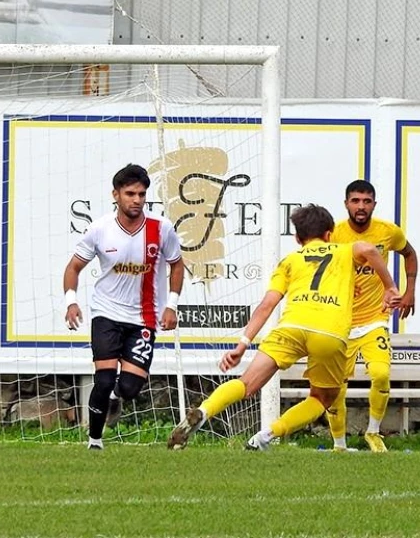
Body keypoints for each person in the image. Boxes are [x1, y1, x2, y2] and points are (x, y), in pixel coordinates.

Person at [167, 204, 398, 451]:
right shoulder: (343, 251)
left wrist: (242, 344)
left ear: (298, 238)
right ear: (330, 234)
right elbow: (369, 249)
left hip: (290, 327)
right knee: (321, 398)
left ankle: (204, 411)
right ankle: (267, 435)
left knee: (246, 384)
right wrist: (389, 287)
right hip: (328, 332)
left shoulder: (290, 260)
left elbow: (267, 304)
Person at [63, 163, 184, 450]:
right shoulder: (100, 229)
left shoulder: (161, 228)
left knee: (129, 389)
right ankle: (94, 441)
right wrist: (71, 302)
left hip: (144, 318)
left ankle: (117, 398)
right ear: (115, 195)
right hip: (106, 313)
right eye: (130, 193)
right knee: (102, 381)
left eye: (142, 194)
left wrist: (172, 305)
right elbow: (73, 267)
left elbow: (177, 265)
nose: (137, 200)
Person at [326, 179, 418, 453]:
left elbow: (410, 254)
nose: (361, 206)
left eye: (366, 201)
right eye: (355, 201)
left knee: (380, 373)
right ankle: (339, 444)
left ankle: (374, 433)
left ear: (374, 204)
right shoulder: (334, 234)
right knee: (335, 386)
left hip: (374, 319)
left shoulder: (388, 232)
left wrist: (409, 291)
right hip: (340, 322)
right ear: (346, 204)